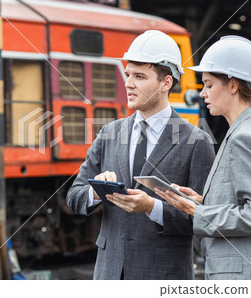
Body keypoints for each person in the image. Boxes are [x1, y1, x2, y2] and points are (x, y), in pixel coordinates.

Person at [66, 30, 215, 280]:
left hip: (163, 275)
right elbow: (73, 197)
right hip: (110, 274)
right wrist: (95, 191)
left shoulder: (196, 141)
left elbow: (205, 218)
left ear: (165, 82)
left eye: (139, 76)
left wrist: (152, 207)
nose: (128, 84)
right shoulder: (109, 133)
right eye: (128, 75)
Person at [155, 35, 251, 280]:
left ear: (233, 85)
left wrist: (197, 212)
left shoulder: (243, 137)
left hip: (240, 275)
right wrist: (202, 201)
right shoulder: (249, 128)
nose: (203, 93)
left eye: (209, 84)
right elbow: (242, 202)